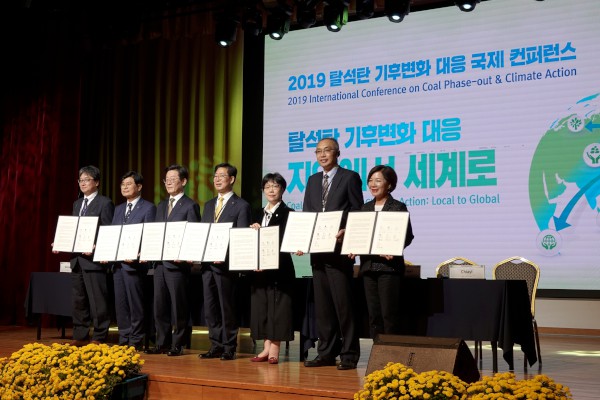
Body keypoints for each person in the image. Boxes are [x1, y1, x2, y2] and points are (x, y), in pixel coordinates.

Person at [301, 138, 363, 370]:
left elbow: (357, 210)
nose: (322, 155)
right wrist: (302, 239)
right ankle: (326, 352)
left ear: (337, 153)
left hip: (338, 251)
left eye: (327, 150)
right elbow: (308, 213)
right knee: (323, 307)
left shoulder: (350, 177)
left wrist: (348, 231)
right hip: (317, 252)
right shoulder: (313, 180)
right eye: (318, 151)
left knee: (343, 306)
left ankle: (349, 354)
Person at [146, 164, 201, 356]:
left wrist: (185, 255)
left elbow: (193, 234)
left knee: (179, 306)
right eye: (166, 180)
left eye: (172, 179)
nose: (168, 183)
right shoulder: (161, 205)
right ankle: (162, 342)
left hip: (178, 265)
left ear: (183, 181)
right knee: (159, 305)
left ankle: (179, 343)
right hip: (160, 264)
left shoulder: (190, 205)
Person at [353, 165, 414, 338]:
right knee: (374, 315)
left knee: (389, 314)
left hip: (389, 268)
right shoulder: (364, 208)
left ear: (389, 184)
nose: (373, 184)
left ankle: (391, 351)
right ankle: (377, 350)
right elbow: (360, 235)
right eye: (370, 181)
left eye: (378, 181)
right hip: (368, 267)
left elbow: (407, 236)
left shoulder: (397, 207)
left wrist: (393, 248)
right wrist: (353, 245)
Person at [199, 162, 251, 361]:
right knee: (210, 307)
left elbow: (241, 238)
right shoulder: (209, 204)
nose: (217, 179)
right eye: (215, 176)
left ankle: (229, 346)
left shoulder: (242, 205)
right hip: (207, 266)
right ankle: (215, 345)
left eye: (222, 176)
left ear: (232, 179)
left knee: (227, 307)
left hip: (226, 266)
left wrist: (225, 255)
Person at [249, 173, 295, 365]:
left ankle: (274, 347)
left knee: (279, 308)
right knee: (263, 307)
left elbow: (289, 240)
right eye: (267, 187)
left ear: (282, 189)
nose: (271, 190)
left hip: (280, 268)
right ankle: (266, 346)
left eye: (275, 186)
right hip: (260, 269)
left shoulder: (289, 213)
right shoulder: (257, 213)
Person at [69, 165, 115, 345]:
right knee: (78, 300)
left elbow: (108, 231)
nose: (83, 183)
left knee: (98, 301)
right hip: (77, 259)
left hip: (94, 260)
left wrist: (97, 247)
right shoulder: (77, 203)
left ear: (96, 182)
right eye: (80, 180)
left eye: (87, 179)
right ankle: (80, 335)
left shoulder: (105, 203)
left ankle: (99, 336)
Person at [111, 171, 156, 350]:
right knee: (121, 304)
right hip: (118, 265)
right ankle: (124, 338)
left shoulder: (148, 208)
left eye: (129, 184)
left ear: (139, 186)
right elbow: (113, 235)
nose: (125, 187)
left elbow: (150, 236)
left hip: (135, 265)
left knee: (135, 303)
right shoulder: (118, 209)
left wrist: (140, 253)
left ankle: (136, 339)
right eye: (122, 184)